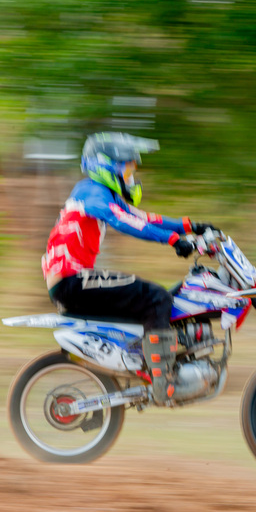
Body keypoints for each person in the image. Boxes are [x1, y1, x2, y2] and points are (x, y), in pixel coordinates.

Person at [42, 132, 217, 404]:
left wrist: (190, 226)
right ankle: (164, 384)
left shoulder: (99, 193)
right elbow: (122, 220)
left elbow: (143, 217)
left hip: (73, 280)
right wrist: (174, 241)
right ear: (107, 166)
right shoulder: (91, 192)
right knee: (156, 297)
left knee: (165, 298)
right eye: (127, 167)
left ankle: (153, 361)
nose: (130, 174)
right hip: (71, 281)